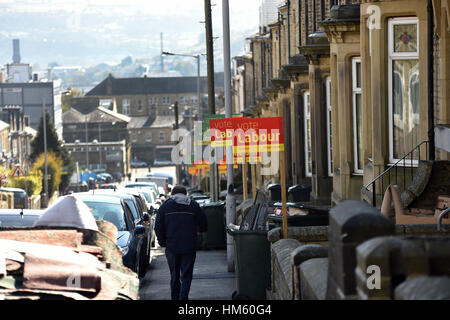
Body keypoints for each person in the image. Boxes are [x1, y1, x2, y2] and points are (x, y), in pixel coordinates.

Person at [155, 185, 208, 301]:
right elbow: (204, 223)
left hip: (171, 247)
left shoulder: (165, 207)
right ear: (185, 194)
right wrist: (199, 231)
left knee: (174, 276)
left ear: (173, 194)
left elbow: (158, 226)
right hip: (189, 246)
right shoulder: (193, 206)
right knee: (186, 276)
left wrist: (163, 242)